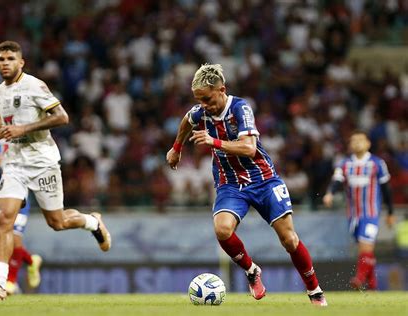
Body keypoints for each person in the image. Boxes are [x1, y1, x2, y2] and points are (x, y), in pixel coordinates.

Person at [166, 64, 327, 306]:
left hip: (263, 179)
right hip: (230, 184)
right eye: (199, 101)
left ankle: (315, 291)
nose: (204, 106)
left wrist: (213, 141)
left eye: (208, 99)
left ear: (222, 89)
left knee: (289, 240)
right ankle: (251, 270)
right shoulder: (202, 111)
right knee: (222, 229)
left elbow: (249, 148)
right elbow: (187, 120)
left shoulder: (240, 108)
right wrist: (176, 148)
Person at [0, 41, 111, 300]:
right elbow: (11, 126)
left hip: (42, 162)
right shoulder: (1, 90)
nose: (5, 63)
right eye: (1, 59)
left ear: (21, 62)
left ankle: (93, 222)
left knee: (57, 222)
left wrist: (24, 130)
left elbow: (62, 117)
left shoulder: (34, 86)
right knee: (5, 219)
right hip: (14, 162)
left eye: (10, 58)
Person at [0, 112, 42, 295]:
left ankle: (10, 282)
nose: (0, 119)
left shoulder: (21, 141)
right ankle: (30, 260)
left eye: (4, 116)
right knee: (3, 243)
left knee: (15, 237)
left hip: (20, 197)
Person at [323, 131, 395, 290]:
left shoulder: (377, 163)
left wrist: (390, 212)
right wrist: (330, 193)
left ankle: (359, 278)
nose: (357, 143)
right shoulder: (344, 164)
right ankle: (372, 286)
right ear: (350, 145)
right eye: (353, 140)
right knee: (366, 251)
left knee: (366, 246)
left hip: (371, 213)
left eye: (360, 140)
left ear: (368, 143)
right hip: (353, 216)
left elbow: (386, 189)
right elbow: (336, 181)